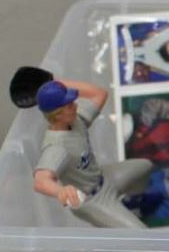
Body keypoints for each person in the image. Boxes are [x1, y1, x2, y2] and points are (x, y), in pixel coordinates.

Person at [31, 80, 156, 229]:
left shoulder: (75, 120)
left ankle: (132, 202)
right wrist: (60, 191)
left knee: (146, 166)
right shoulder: (57, 147)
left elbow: (100, 94)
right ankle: (119, 222)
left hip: (103, 178)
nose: (75, 105)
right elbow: (40, 181)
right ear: (57, 115)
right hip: (92, 199)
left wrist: (55, 81)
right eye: (69, 105)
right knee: (141, 235)